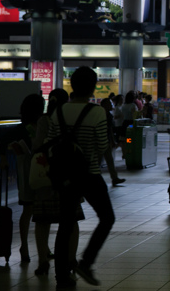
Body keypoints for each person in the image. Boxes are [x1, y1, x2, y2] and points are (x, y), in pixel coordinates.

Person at [49, 67, 114, 289]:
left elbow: (50, 144)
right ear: (93, 86)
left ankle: (61, 277)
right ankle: (86, 263)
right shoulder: (97, 112)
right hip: (89, 174)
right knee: (107, 218)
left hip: (65, 176)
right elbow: (102, 146)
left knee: (65, 225)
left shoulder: (58, 112)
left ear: (72, 85)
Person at [32, 89, 81, 277]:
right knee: (71, 220)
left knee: (42, 221)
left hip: (47, 175)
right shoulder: (73, 118)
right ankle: (71, 258)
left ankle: (43, 261)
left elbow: (37, 146)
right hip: (70, 175)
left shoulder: (44, 120)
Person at [0, 93, 45, 263]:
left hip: (26, 171)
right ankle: (30, 246)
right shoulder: (34, 126)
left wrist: (4, 159)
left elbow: (2, 141)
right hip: (36, 171)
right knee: (33, 209)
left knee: (29, 209)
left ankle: (27, 246)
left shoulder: (25, 127)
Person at [97, 97, 126, 187]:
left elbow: (110, 130)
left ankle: (114, 178)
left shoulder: (108, 115)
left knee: (109, 160)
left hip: (106, 140)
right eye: (109, 104)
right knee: (98, 162)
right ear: (105, 105)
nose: (111, 105)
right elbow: (109, 129)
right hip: (101, 140)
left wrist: (112, 141)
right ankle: (94, 178)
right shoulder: (101, 114)